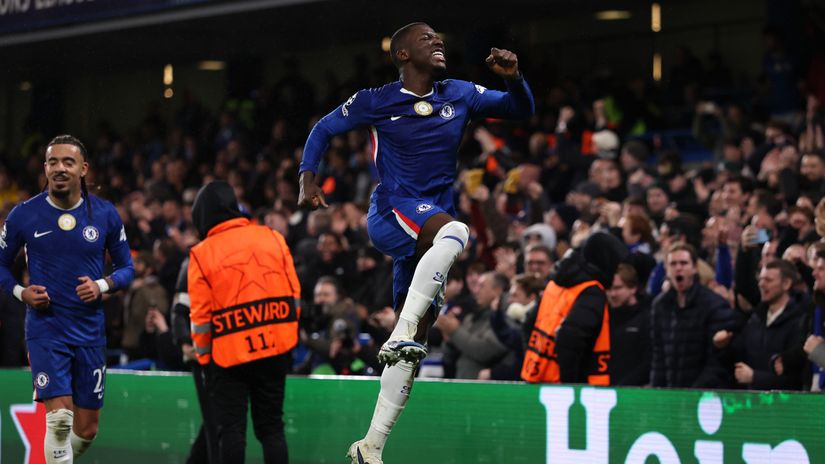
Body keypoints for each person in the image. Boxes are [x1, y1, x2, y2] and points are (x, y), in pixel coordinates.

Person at [297, 22, 534, 463]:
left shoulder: (459, 93)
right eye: (426, 38)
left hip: (427, 237)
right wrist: (308, 177)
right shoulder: (376, 100)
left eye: (439, 37)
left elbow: (520, 110)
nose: (438, 41)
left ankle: (371, 445)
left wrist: (514, 77)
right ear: (402, 55)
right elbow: (322, 129)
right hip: (393, 213)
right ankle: (401, 329)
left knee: (414, 347)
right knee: (456, 232)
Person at [0, 135, 134, 463]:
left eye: (68, 162)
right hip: (46, 330)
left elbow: (127, 267)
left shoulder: (104, 214)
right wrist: (22, 292)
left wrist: (102, 285)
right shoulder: (24, 215)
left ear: (83, 169)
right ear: (45, 168)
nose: (59, 168)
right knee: (59, 421)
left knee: (86, 430)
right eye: (52, 162)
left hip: (89, 331)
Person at [188, 181, 300, 464]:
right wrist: (284, 335)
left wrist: (204, 361)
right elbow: (294, 294)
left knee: (232, 432)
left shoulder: (202, 254)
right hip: (276, 348)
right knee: (272, 429)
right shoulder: (272, 237)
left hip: (228, 359)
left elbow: (200, 318)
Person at [521, 232, 629, 385]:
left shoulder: (556, 283)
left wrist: (536, 361)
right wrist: (570, 385)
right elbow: (568, 338)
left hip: (536, 379)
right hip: (566, 392)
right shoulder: (591, 291)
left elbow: (528, 323)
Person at [650, 243, 734, 388]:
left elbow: (716, 361)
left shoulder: (713, 304)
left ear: (695, 268)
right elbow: (659, 357)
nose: (678, 268)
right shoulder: (660, 305)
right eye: (673, 264)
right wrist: (657, 391)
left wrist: (693, 393)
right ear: (666, 269)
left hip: (703, 395)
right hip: (671, 394)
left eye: (683, 263)